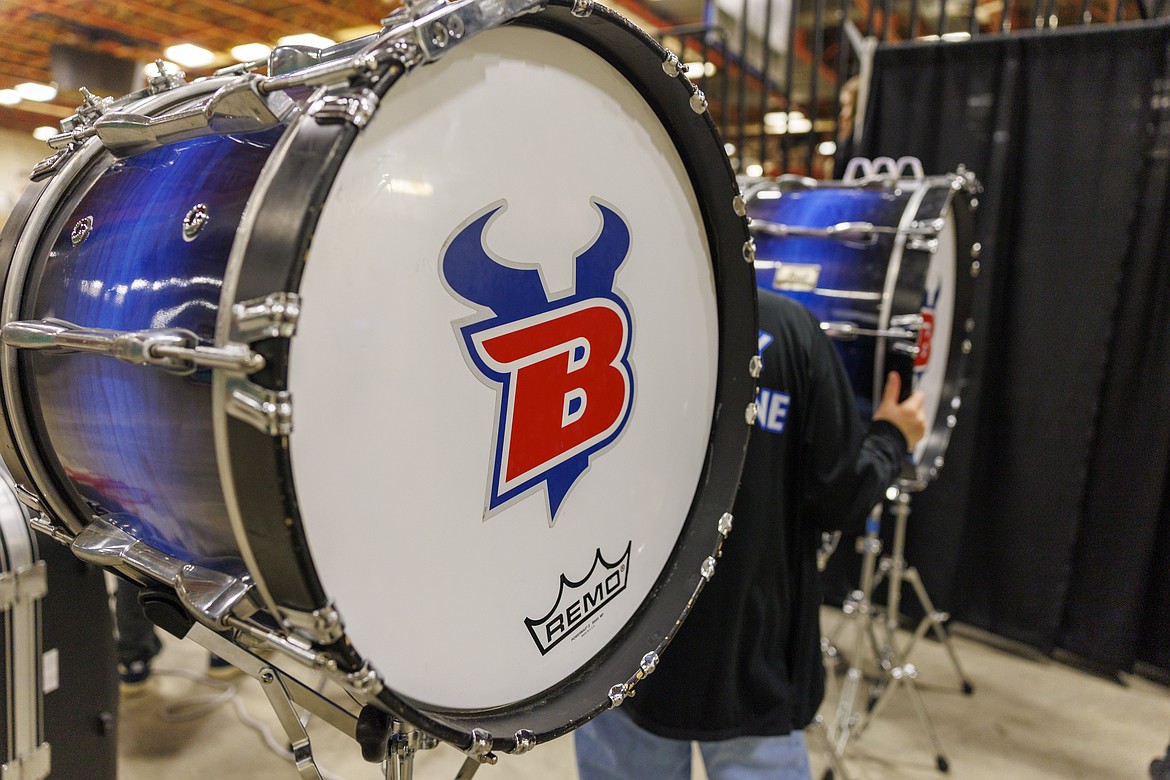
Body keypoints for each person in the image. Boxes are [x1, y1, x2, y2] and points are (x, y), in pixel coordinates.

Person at [574, 289, 926, 779]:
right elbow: (839, 497)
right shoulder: (792, 328)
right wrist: (891, 438)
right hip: (750, 664)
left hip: (619, 652)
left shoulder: (618, 310)